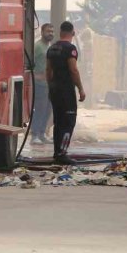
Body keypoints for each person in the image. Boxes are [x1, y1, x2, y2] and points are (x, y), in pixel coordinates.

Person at [46, 20, 86, 164]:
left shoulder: (52, 48)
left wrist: (50, 86)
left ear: (60, 32)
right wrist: (80, 89)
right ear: (73, 33)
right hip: (66, 91)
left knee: (58, 121)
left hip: (54, 90)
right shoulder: (70, 49)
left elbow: (48, 70)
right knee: (68, 121)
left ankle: (57, 152)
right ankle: (62, 153)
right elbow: (73, 70)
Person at [31, 23, 55, 144]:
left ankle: (42, 134)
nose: (50, 33)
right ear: (42, 32)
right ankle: (34, 135)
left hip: (49, 84)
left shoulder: (49, 47)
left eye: (52, 31)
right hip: (39, 84)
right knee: (40, 109)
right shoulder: (37, 47)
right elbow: (30, 63)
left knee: (48, 109)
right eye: (48, 31)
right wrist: (35, 76)